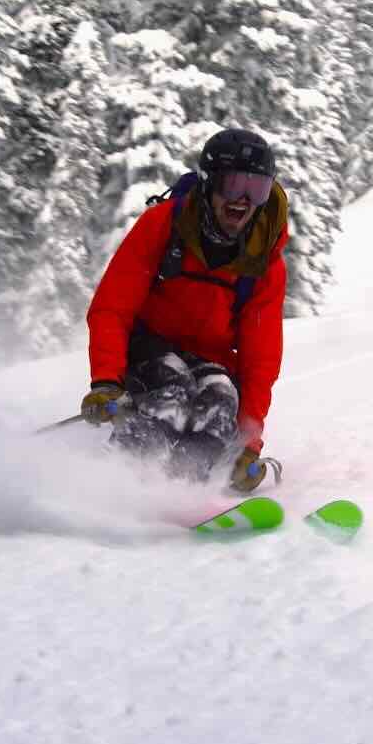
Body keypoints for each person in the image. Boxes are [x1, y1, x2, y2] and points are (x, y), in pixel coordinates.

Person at [80, 127, 289, 494]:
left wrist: (248, 444)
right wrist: (107, 383)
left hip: (211, 360)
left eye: (256, 189)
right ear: (209, 184)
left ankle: (183, 490)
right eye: (234, 184)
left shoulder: (263, 261)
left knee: (220, 401)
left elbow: (261, 358)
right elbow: (112, 308)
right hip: (147, 347)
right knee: (173, 390)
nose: (242, 199)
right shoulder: (162, 225)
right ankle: (117, 483)